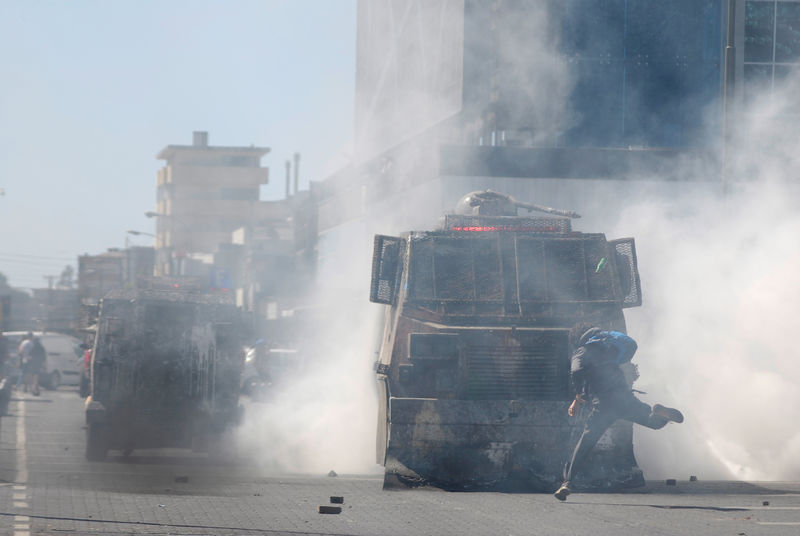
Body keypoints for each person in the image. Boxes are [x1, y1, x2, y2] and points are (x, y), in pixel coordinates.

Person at [554, 323, 684, 502]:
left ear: (576, 339)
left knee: (586, 442)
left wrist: (577, 397)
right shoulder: (608, 344)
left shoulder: (582, 350)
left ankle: (567, 483)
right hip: (624, 397)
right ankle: (659, 413)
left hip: (604, 404)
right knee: (653, 422)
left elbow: (576, 370)